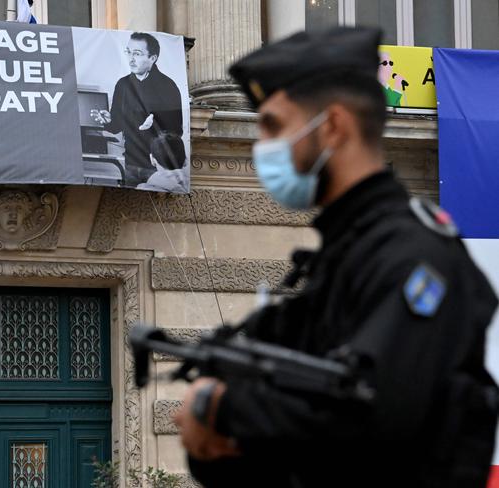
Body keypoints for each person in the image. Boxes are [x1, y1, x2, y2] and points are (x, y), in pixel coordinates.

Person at [173, 27, 499, 488]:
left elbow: (373, 419)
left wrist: (219, 407)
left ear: (333, 127)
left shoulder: (415, 258)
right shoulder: (335, 264)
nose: (261, 146)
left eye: (274, 126)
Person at [91, 32, 183, 187]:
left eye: (137, 54)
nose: (131, 59)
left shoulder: (168, 86)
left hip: (159, 166)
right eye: (129, 52)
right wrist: (108, 121)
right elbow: (117, 126)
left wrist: (155, 124)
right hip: (130, 162)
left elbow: (176, 132)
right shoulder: (123, 84)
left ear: (152, 58)